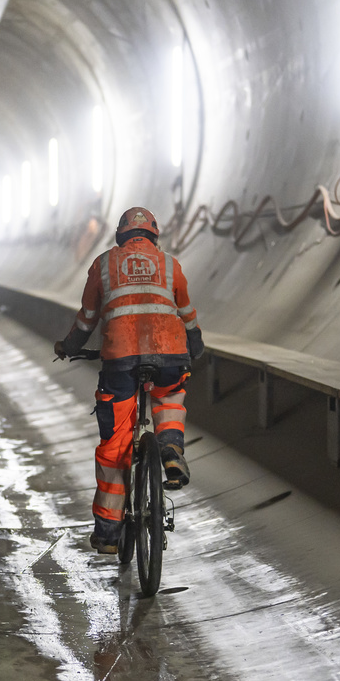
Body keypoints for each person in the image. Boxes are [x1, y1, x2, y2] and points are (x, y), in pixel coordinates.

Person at [53, 206, 204, 555]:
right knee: (169, 395)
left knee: (115, 446)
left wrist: (69, 346)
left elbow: (88, 317)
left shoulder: (104, 264)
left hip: (120, 360)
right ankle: (169, 449)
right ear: (154, 235)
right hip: (169, 353)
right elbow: (187, 312)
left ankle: (107, 533)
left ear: (120, 235)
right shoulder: (169, 264)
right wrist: (194, 344)